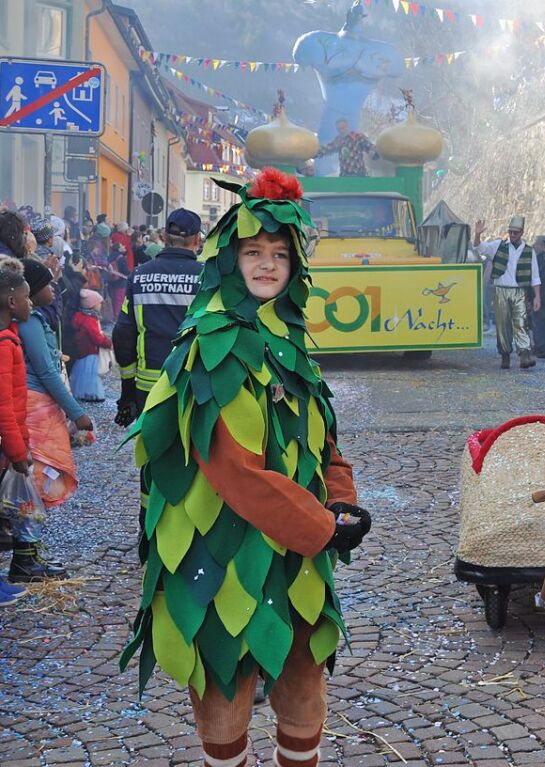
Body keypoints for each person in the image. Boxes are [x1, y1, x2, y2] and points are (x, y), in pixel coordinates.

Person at [120, 167, 368, 767]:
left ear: (294, 268)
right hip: (217, 549)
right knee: (225, 688)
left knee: (303, 679)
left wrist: (340, 496)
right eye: (253, 252)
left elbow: (323, 440)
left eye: (278, 255)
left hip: (294, 550)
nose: (265, 265)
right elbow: (234, 471)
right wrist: (322, 528)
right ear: (230, 260)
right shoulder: (211, 346)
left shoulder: (289, 344)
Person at [15, 258, 95, 579]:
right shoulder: (30, 323)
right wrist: (77, 413)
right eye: (48, 284)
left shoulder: (36, 319)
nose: (54, 289)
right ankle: (24, 559)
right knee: (32, 484)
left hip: (40, 409)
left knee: (34, 483)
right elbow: (46, 372)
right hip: (35, 410)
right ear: (31, 293)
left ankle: (30, 553)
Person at [112, 208, 203, 425]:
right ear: (197, 239)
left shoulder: (139, 276)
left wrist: (127, 388)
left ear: (164, 236)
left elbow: (122, 333)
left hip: (149, 386)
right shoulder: (207, 277)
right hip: (194, 385)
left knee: (152, 451)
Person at [0, 258, 34, 603]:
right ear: (11, 303)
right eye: (26, 298)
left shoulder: (11, 338)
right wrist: (17, 452)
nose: (31, 303)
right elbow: (3, 406)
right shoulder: (3, 345)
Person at [473, 216, 542, 369]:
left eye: (515, 233)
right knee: (502, 324)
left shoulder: (529, 251)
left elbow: (535, 276)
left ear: (522, 233)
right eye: (510, 232)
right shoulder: (498, 245)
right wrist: (477, 234)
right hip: (501, 290)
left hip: (520, 291)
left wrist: (537, 296)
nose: (512, 235)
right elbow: (479, 247)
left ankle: (524, 355)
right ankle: (505, 354)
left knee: (521, 323)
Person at [69, 289, 111, 403]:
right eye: (99, 303)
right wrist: (108, 343)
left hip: (83, 350)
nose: (101, 305)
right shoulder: (90, 319)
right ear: (92, 305)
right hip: (91, 351)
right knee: (91, 374)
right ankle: (92, 394)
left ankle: (83, 393)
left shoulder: (81, 316)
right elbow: (96, 337)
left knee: (82, 374)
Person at [315, 118, 379, 177]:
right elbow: (327, 148)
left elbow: (370, 147)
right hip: (345, 176)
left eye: (343, 128)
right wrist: (314, 153)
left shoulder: (358, 137)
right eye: (339, 129)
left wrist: (374, 154)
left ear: (348, 126)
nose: (341, 131)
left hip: (359, 176)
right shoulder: (338, 140)